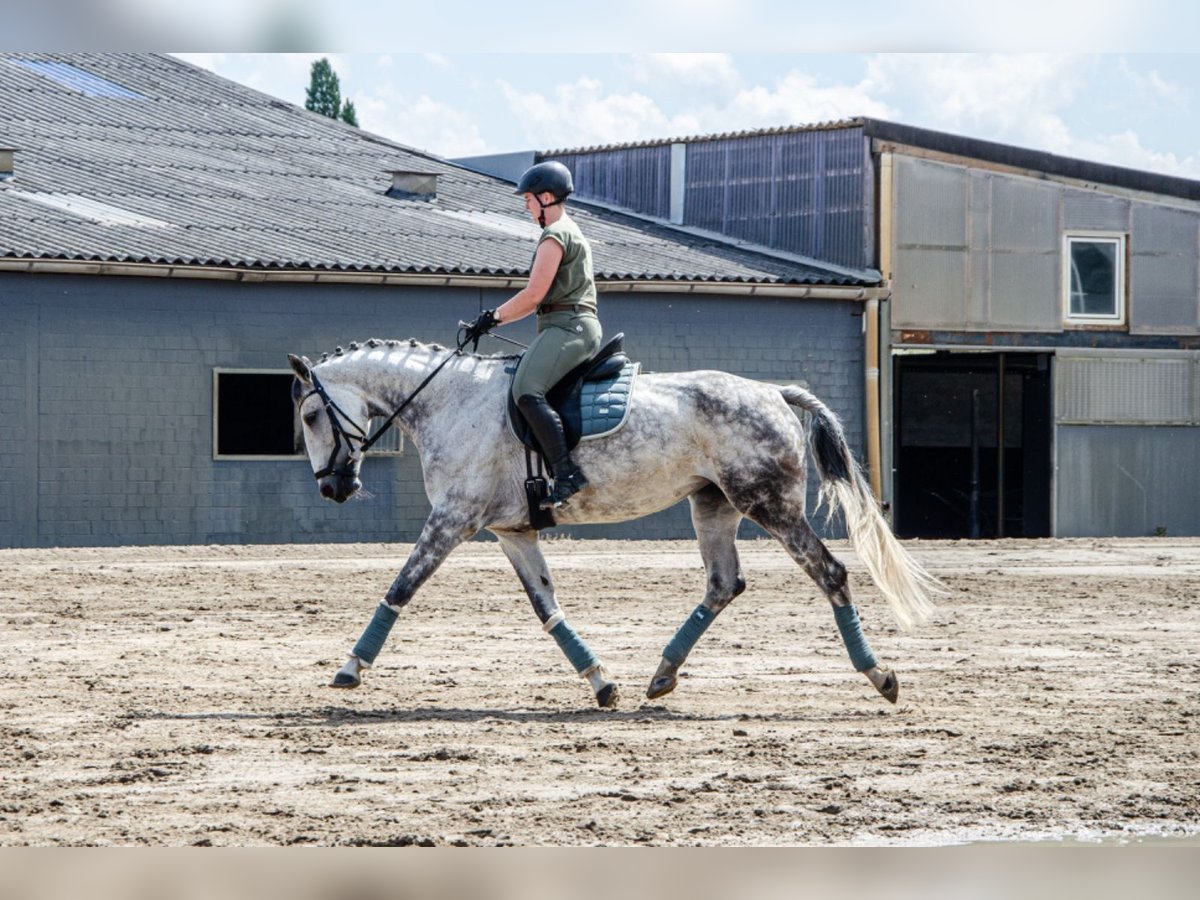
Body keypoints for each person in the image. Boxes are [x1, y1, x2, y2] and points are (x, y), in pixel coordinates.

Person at [461, 161, 601, 509]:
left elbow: (533, 296)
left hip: (569, 326)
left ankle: (567, 474)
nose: (525, 205)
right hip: (567, 324)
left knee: (526, 389)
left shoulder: (555, 235)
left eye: (528, 199)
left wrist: (491, 318)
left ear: (546, 198)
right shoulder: (567, 230)